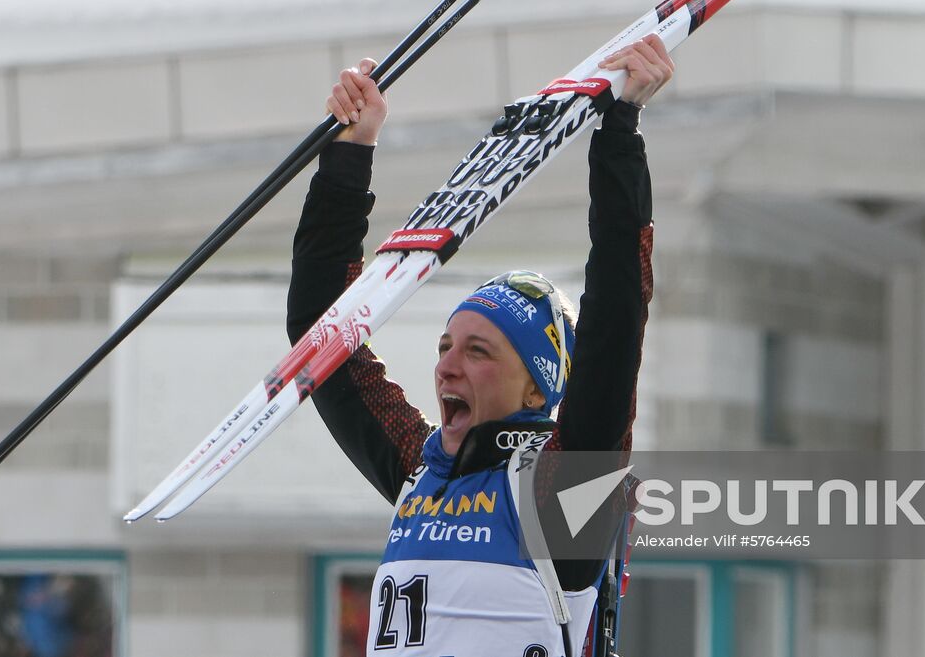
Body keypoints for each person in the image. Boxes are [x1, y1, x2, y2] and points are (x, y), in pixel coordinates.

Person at [287, 34, 673, 656]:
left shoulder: (560, 494)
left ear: (535, 386)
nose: (446, 366)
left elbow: (616, 322)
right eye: (446, 345)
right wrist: (347, 158)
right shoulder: (420, 472)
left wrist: (619, 130)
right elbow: (321, 335)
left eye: (479, 351)